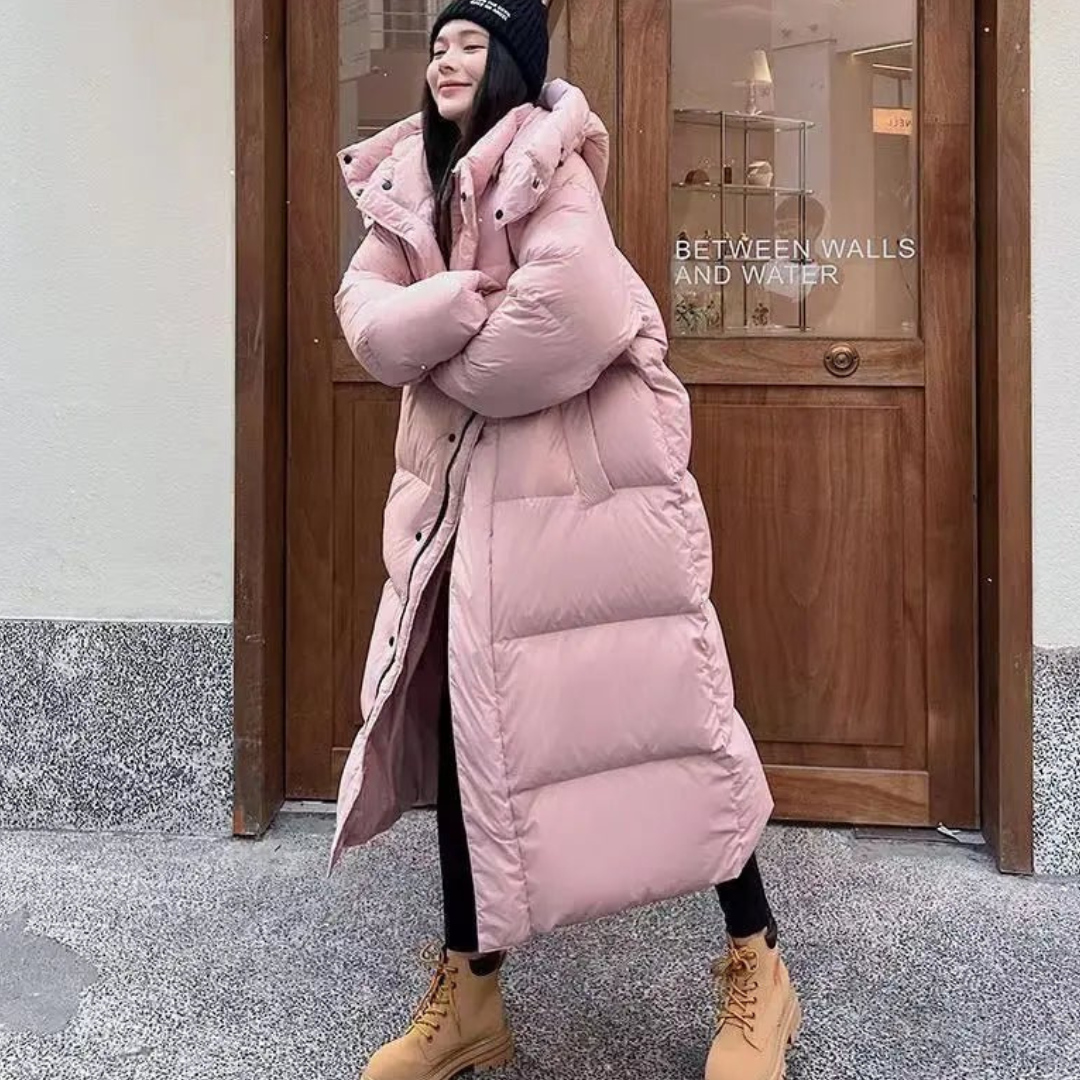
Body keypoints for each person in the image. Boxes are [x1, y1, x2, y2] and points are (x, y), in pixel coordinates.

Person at [332, 1, 803, 1077]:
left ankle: (761, 966)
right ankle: (470, 997)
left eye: (471, 43)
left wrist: (439, 338)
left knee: (672, 723)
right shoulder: (408, 182)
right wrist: (463, 303)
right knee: (466, 733)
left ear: (510, 65)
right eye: (437, 43)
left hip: (584, 511)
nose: (446, 58)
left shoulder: (552, 168)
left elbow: (556, 329)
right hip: (466, 517)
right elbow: (366, 318)